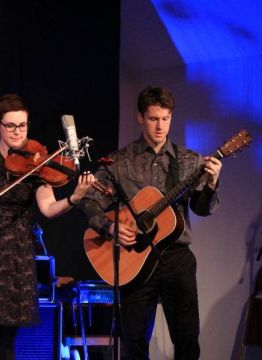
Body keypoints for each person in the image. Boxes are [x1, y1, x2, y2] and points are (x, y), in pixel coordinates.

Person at [77, 86, 222, 359]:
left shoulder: (189, 161)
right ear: (140, 117)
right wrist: (109, 227)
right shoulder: (119, 161)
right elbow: (88, 200)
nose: (160, 126)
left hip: (176, 258)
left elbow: (201, 210)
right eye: (154, 118)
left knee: (188, 341)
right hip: (136, 257)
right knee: (134, 343)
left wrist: (212, 185)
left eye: (166, 119)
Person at [0, 94, 95, 359]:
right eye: (11, 126)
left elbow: (48, 209)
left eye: (23, 126)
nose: (18, 132)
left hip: (15, 254)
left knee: (6, 340)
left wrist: (74, 198)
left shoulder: (37, 164)